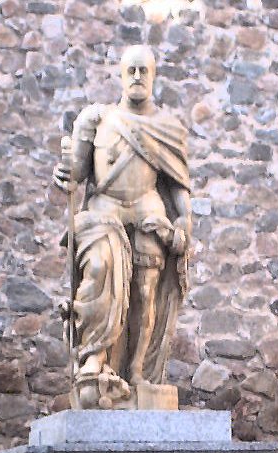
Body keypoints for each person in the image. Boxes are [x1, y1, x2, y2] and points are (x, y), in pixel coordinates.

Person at [53, 44, 191, 408]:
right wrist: (64, 173)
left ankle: (138, 374)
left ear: (154, 75)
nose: (137, 77)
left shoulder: (167, 127)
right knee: (100, 267)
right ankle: (95, 362)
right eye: (130, 70)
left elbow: (178, 182)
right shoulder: (97, 119)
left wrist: (184, 220)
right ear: (120, 74)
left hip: (148, 209)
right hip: (104, 211)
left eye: (143, 70)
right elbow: (78, 174)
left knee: (146, 295)